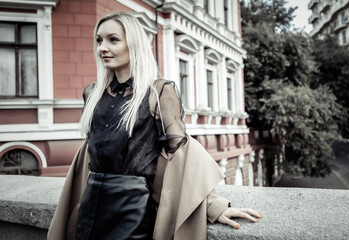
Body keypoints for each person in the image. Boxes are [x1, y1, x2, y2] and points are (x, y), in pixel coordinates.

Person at [48, 12, 262, 240]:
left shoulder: (158, 93)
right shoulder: (92, 93)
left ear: (134, 43)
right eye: (99, 40)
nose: (102, 47)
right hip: (89, 207)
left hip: (132, 210)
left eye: (113, 39)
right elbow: (89, 156)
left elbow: (180, 157)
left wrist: (213, 205)